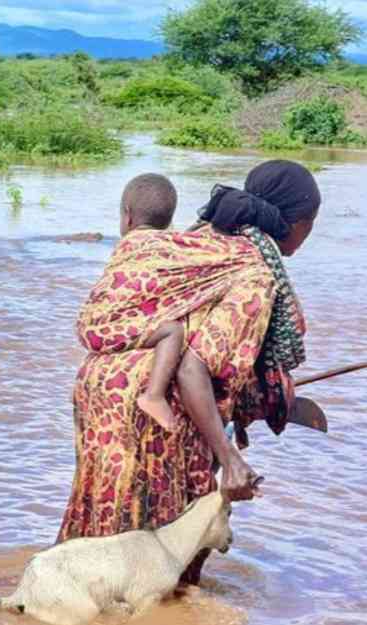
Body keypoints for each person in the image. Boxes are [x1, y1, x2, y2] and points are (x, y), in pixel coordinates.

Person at [61, 160, 319, 584]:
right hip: (154, 416)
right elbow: (193, 369)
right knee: (164, 557)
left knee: (97, 533)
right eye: (310, 222)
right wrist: (230, 458)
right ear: (296, 223)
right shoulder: (254, 273)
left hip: (99, 393)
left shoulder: (196, 241)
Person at [81, 174, 213, 433]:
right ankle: (154, 395)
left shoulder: (127, 246)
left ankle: (152, 397)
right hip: (106, 332)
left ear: (127, 216)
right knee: (173, 330)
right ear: (169, 221)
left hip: (94, 331)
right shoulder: (170, 247)